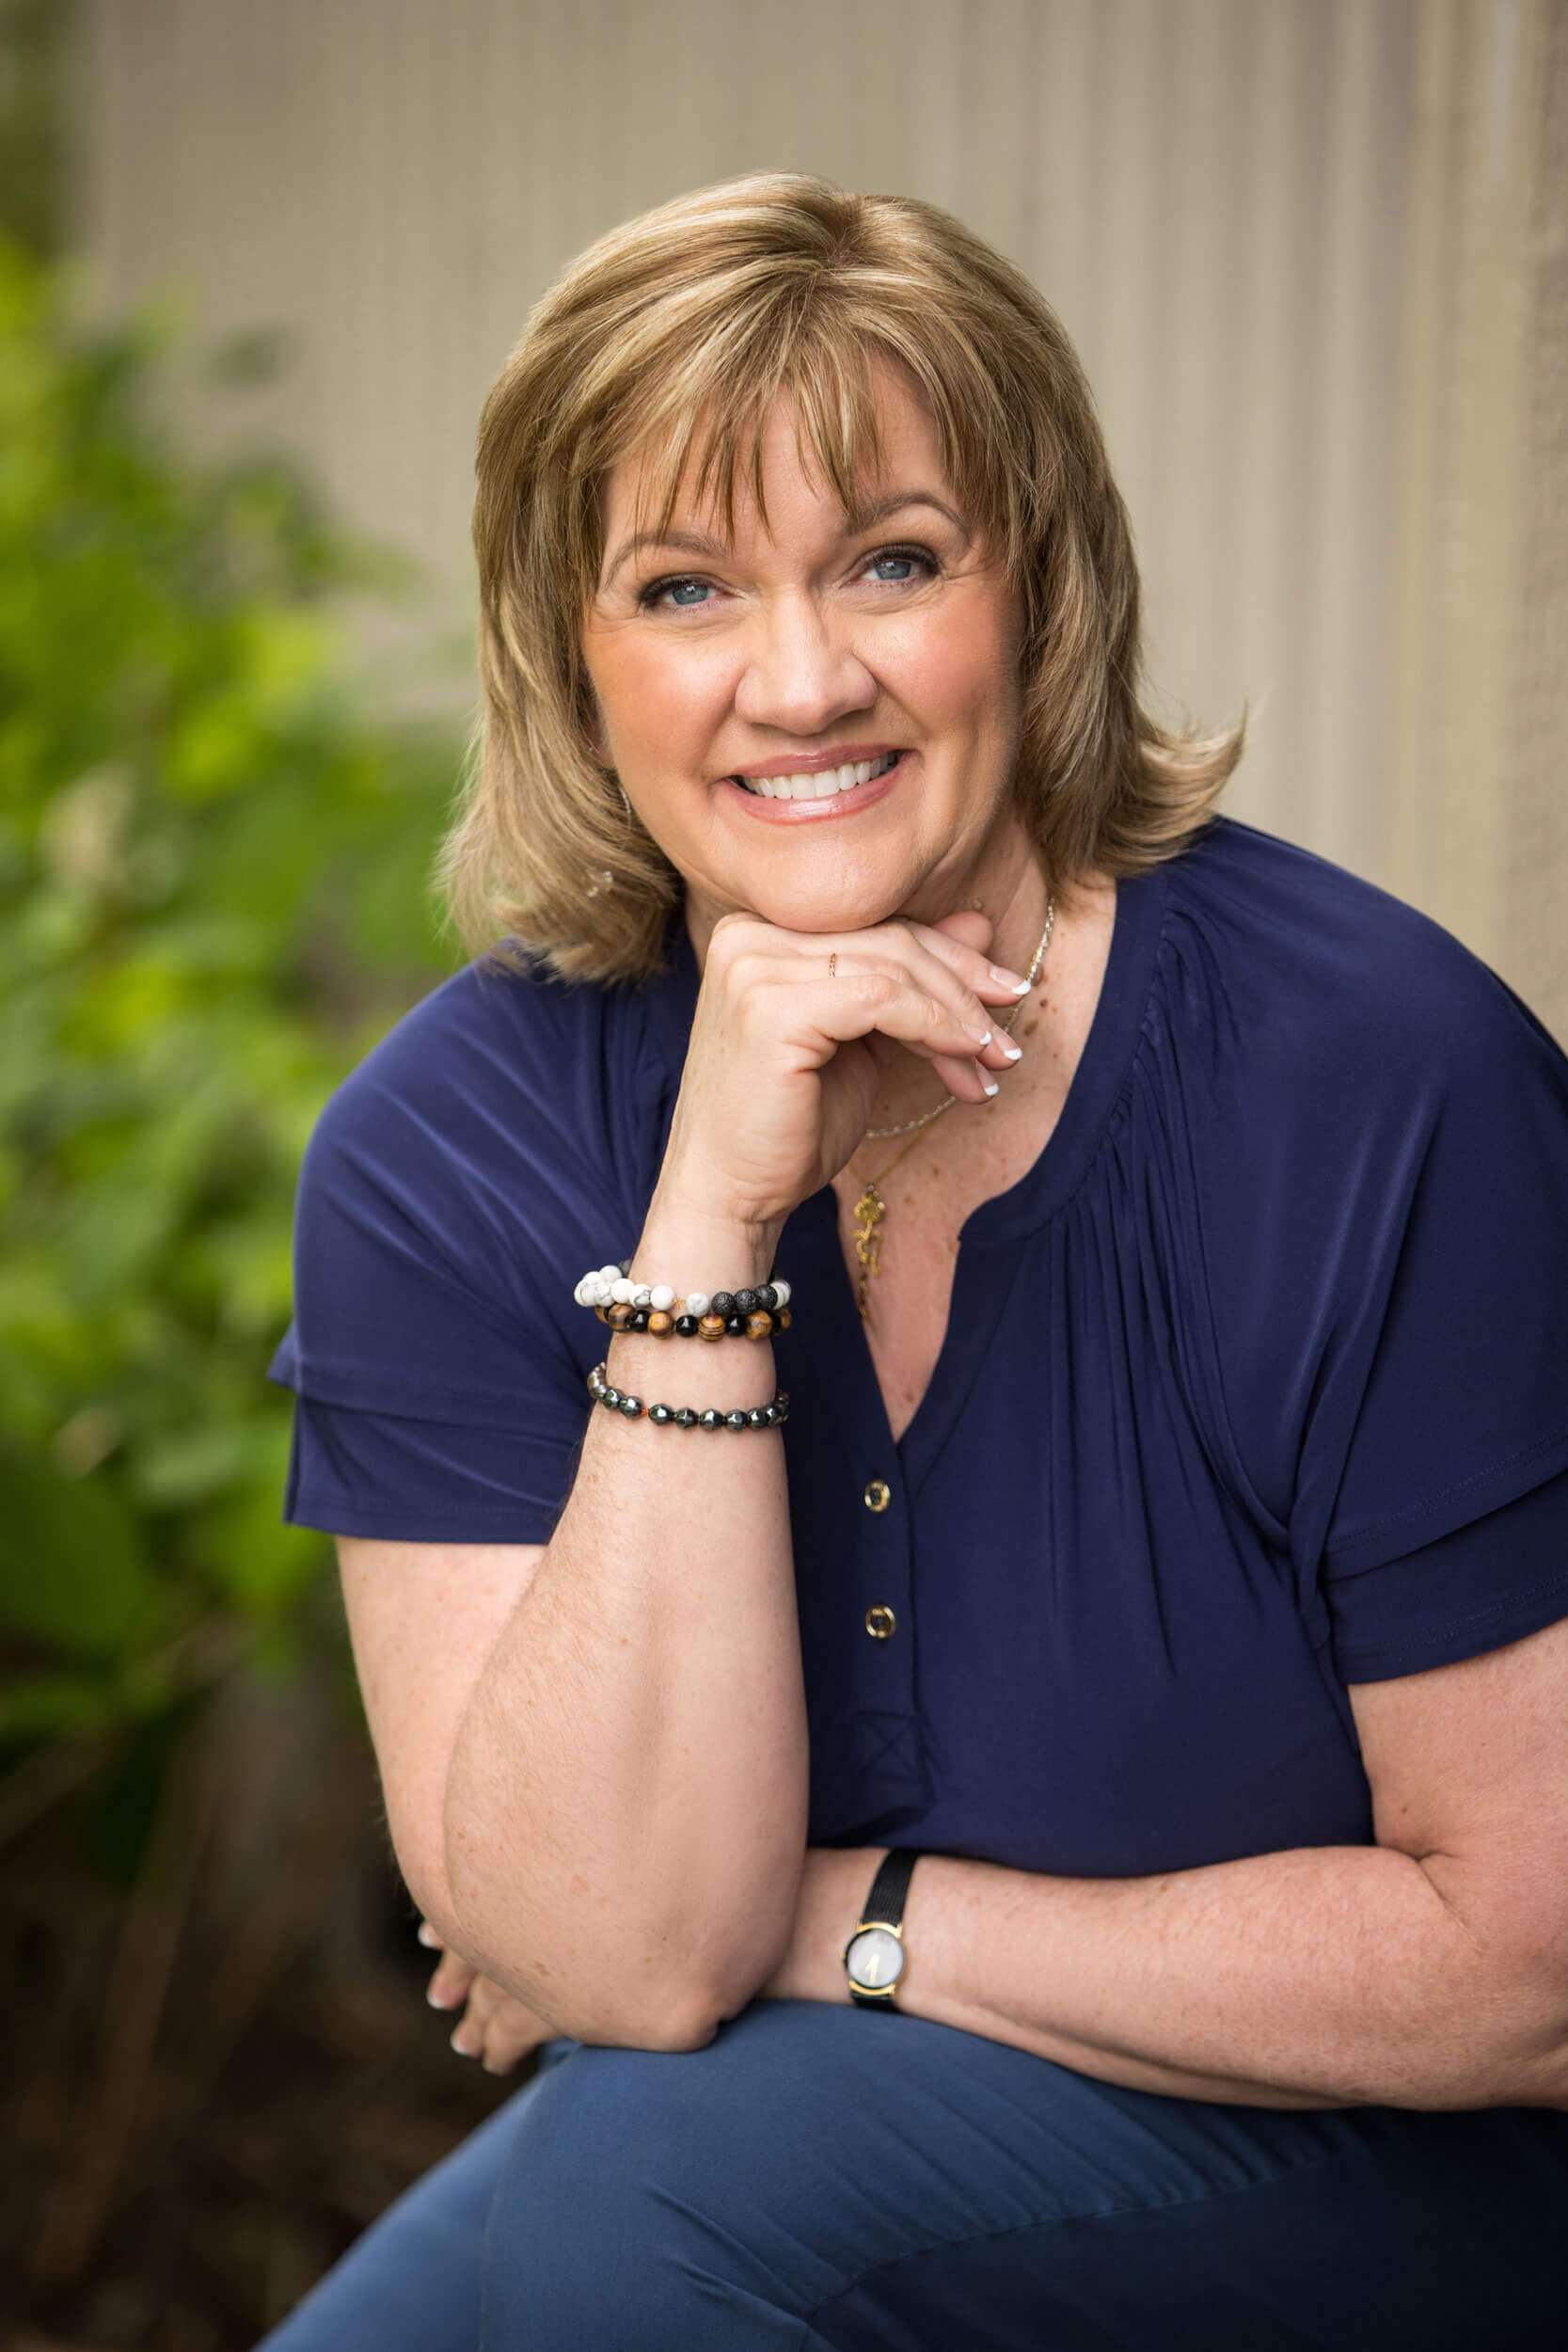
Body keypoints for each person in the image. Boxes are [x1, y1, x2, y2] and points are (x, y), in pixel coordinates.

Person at [260, 173, 1568, 2351]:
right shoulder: (444, 1151)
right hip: (792, 2111)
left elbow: (1532, 1956)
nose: (801, 679)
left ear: (1035, 586)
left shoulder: (1380, 1084)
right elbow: (616, 1953)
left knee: (638, 2198)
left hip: (1411, 2158)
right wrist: (702, 1222)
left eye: (891, 558)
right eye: (684, 586)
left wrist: (856, 1919)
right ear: (569, 660)